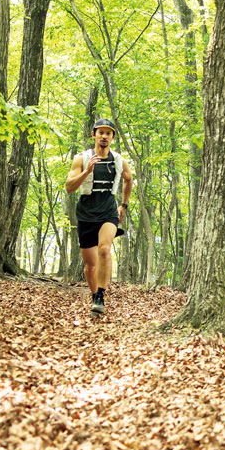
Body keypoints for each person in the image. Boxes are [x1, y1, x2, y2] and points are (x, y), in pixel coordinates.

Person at [65, 118, 134, 315]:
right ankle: (95, 295)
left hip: (108, 210)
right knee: (89, 266)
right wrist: (87, 171)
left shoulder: (119, 160)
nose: (104, 136)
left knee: (105, 250)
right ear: (93, 135)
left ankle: (100, 296)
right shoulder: (81, 158)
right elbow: (69, 188)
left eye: (108, 133)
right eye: (100, 132)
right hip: (86, 212)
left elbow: (129, 181)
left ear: (112, 137)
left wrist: (124, 205)